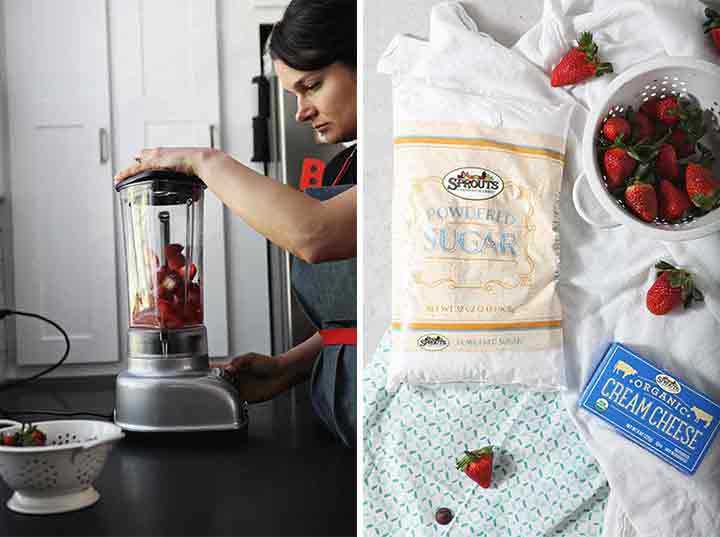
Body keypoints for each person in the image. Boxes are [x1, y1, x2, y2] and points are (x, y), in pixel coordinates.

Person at [114, 0, 357, 448]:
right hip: (342, 412)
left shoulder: (415, 154)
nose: (301, 111)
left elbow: (315, 233)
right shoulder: (349, 167)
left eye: (313, 85)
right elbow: (366, 318)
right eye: (293, 96)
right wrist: (288, 368)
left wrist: (202, 160)